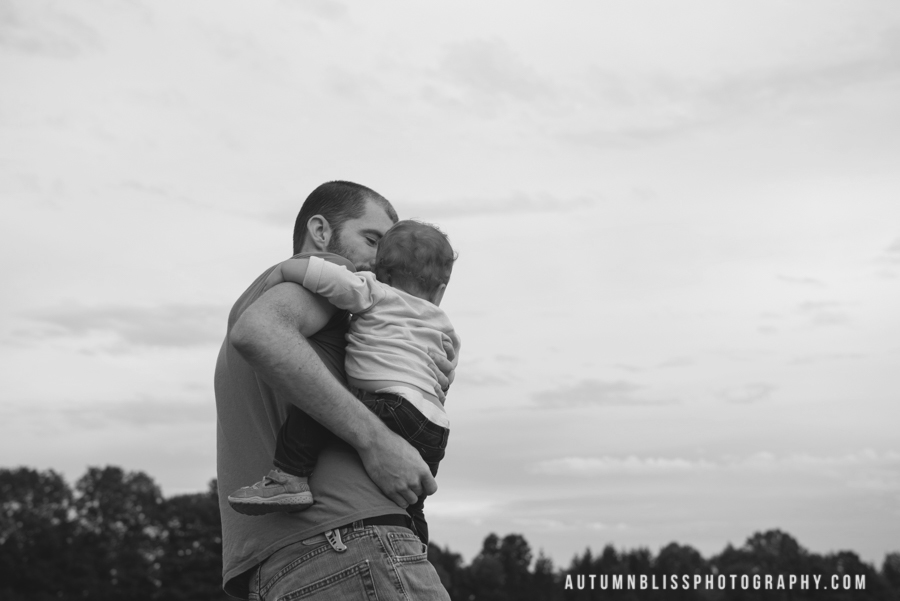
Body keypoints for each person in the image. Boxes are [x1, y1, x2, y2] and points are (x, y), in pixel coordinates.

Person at [215, 181, 455, 600]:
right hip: (352, 545)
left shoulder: (260, 301)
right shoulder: (328, 276)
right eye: (372, 240)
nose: (382, 260)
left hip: (279, 568)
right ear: (322, 232)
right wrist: (376, 441)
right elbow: (260, 333)